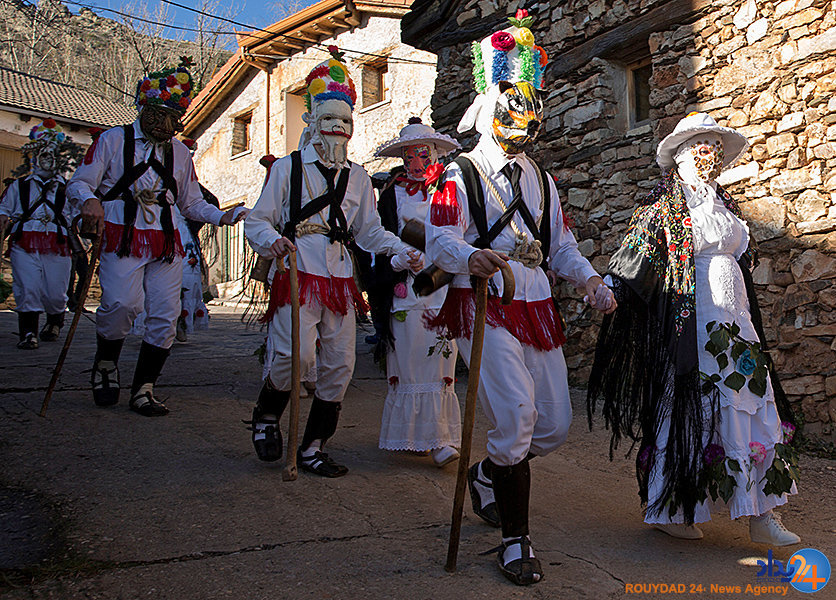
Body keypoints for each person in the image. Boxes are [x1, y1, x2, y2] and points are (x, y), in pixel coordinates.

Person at [423, 11, 616, 585]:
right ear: (490, 99)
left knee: (552, 425)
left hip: (536, 307)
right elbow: (439, 238)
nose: (524, 108)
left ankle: (489, 477)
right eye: (513, 95)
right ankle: (516, 539)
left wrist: (589, 280)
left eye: (531, 97)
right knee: (516, 417)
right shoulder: (453, 175)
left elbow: (561, 246)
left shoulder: (541, 178)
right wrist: (467, 257)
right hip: (485, 307)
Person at [587, 112, 800, 546]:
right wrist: (610, 287)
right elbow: (636, 258)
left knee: (751, 401)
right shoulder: (663, 208)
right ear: (682, 156)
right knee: (691, 408)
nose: (711, 155)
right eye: (702, 146)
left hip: (737, 324)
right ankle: (672, 507)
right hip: (693, 326)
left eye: (715, 148)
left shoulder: (726, 204)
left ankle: (762, 513)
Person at [244, 46, 416, 477]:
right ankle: (267, 417)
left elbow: (369, 231)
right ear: (313, 124)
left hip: (340, 280)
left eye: (344, 123)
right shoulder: (286, 169)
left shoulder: (359, 177)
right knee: (293, 358)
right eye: (329, 121)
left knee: (339, 366)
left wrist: (398, 249)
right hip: (298, 272)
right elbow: (258, 221)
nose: (337, 129)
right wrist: (273, 243)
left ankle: (314, 446)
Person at [67, 60, 247, 416]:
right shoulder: (112, 140)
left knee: (166, 314)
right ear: (143, 108)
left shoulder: (179, 153)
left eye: (171, 116)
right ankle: (106, 364)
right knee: (121, 304)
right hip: (122, 234)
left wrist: (223, 215)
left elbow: (191, 202)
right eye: (157, 114)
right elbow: (80, 182)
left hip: (166, 239)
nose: (164, 124)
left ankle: (144, 388)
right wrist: (89, 201)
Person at [372, 117, 463, 467]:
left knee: (440, 361)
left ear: (435, 153)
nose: (417, 162)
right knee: (410, 362)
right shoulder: (390, 194)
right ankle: (413, 435)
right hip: (405, 291)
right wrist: (396, 259)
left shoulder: (450, 189)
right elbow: (375, 239)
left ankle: (441, 438)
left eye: (423, 154)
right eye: (410, 155)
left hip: (442, 286)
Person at [0, 119, 83, 348]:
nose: (48, 158)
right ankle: (28, 333)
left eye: (53, 155)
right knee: (28, 287)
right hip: (25, 241)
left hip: (57, 242)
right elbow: (4, 209)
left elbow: (80, 214)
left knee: (56, 293)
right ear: (35, 157)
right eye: (44, 154)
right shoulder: (19, 186)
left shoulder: (69, 189)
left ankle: (55, 321)